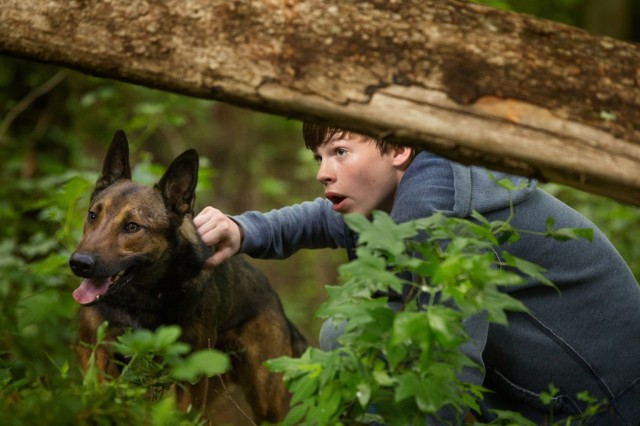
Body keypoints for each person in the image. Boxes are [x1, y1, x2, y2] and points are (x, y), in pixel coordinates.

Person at [194, 122, 640, 425]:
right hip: (548, 394)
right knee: (350, 332)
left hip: (608, 401)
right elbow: (324, 218)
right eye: (318, 156)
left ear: (400, 149)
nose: (322, 172)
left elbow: (448, 359)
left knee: (354, 334)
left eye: (340, 151)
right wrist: (242, 229)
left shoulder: (446, 219)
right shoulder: (416, 190)